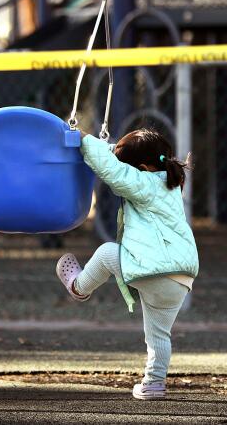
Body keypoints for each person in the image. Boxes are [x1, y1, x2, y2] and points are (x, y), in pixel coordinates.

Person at [55, 128, 199, 400]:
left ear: (142, 167)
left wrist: (86, 139)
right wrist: (106, 146)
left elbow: (114, 172)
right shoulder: (168, 184)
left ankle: (79, 287)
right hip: (181, 277)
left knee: (109, 252)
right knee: (159, 334)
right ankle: (154, 383)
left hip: (153, 269)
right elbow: (116, 161)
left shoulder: (145, 183)